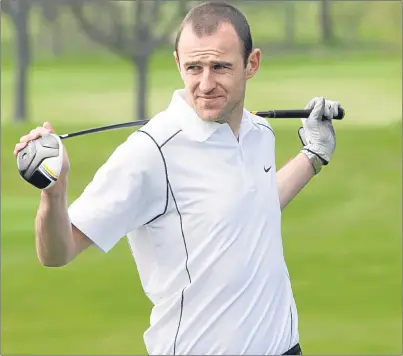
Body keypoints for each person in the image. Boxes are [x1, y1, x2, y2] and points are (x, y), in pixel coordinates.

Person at [14, 2, 342, 355]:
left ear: (252, 64)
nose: (205, 83)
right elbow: (56, 252)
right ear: (177, 64)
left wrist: (312, 156)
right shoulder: (149, 155)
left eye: (220, 67)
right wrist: (54, 194)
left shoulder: (259, 132)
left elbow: (253, 206)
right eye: (193, 68)